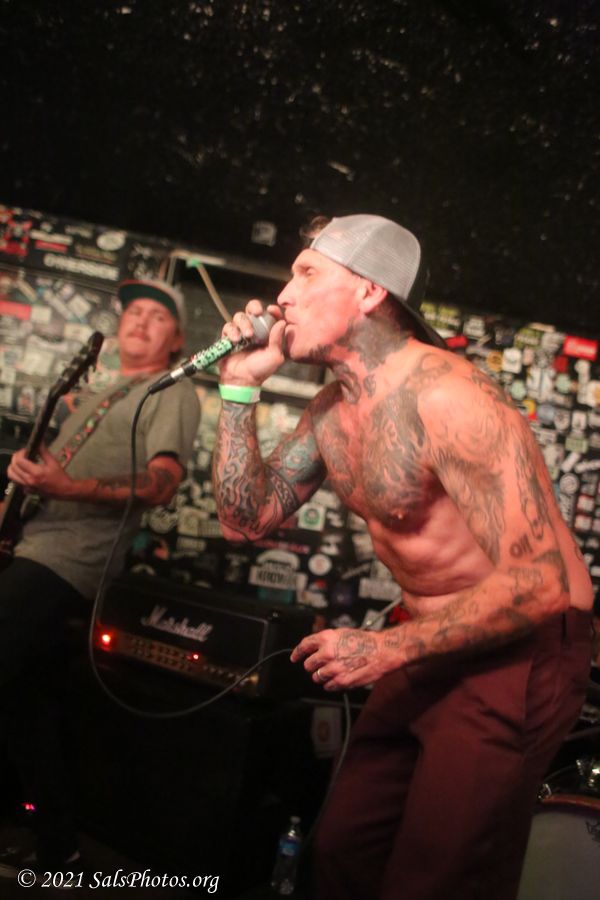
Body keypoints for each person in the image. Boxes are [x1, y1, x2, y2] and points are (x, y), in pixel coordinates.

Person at [211, 215, 593, 900]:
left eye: (307, 273)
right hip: (422, 640)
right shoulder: (329, 410)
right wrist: (239, 386)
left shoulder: (451, 397)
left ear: (368, 291)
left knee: (439, 876)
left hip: (520, 648)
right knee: (345, 847)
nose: (283, 296)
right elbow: (245, 520)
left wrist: (387, 649)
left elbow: (542, 584)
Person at [0, 277, 200, 877]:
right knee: (23, 701)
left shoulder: (173, 391)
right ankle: (57, 844)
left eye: (157, 316)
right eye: (133, 311)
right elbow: (44, 481)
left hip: (69, 559)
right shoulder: (97, 393)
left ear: (177, 339)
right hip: (27, 544)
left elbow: (163, 484)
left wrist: (68, 487)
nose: (140, 320)